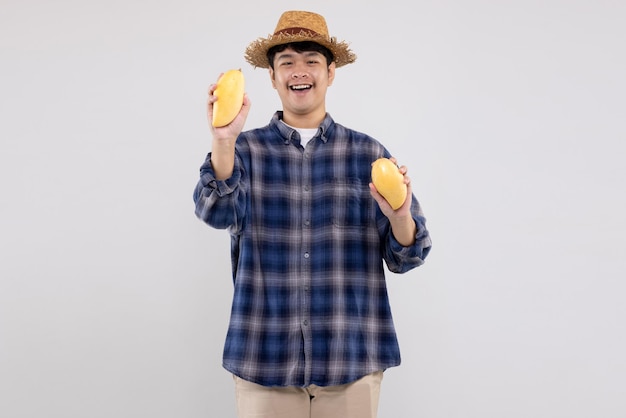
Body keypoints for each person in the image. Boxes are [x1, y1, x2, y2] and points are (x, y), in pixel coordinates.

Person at [193, 10, 432, 418]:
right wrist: (223, 139)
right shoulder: (242, 151)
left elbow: (408, 256)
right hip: (263, 356)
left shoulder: (368, 154)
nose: (298, 71)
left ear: (331, 72)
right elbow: (213, 212)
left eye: (311, 60)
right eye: (286, 61)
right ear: (272, 76)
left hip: (350, 359)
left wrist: (399, 216)